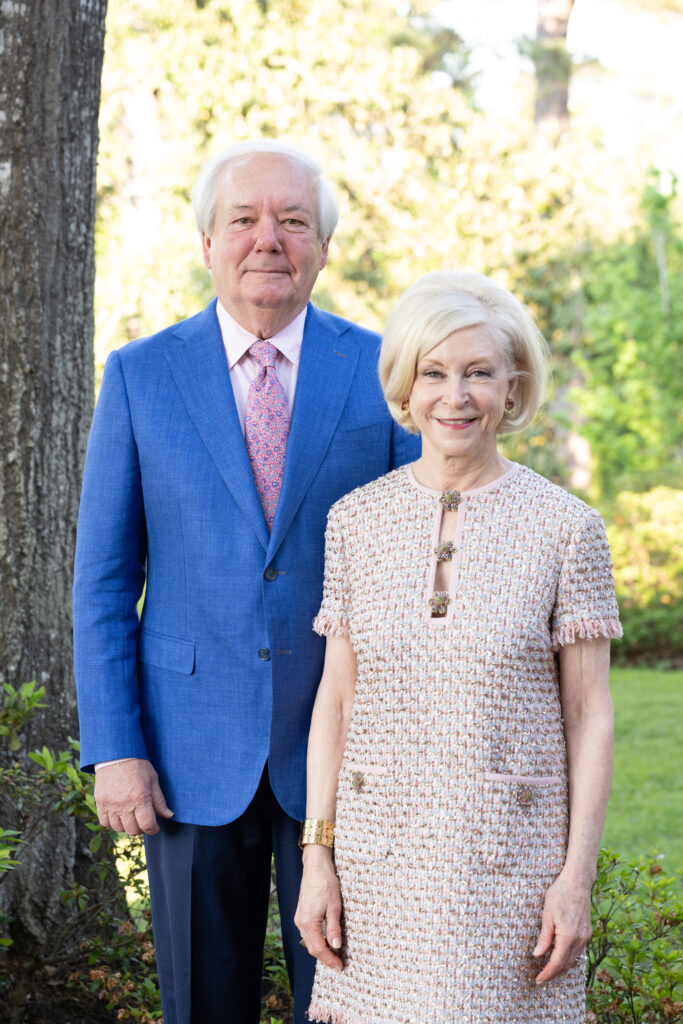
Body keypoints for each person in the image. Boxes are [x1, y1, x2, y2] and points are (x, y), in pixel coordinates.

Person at [72, 139, 419, 1024]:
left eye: (292, 221)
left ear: (324, 248)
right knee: (201, 1004)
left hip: (349, 758)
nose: (268, 239)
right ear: (205, 244)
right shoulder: (140, 376)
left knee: (347, 999)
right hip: (187, 755)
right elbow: (107, 582)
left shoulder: (385, 373)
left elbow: (421, 564)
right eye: (244, 220)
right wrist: (115, 747)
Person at [295, 269, 622, 1023]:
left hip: (508, 871)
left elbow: (590, 716)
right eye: (433, 372)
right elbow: (337, 702)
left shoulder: (566, 528)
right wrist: (318, 858)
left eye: (478, 372)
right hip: (377, 872)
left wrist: (575, 881)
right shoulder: (354, 522)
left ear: (512, 390)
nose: (455, 395)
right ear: (404, 389)